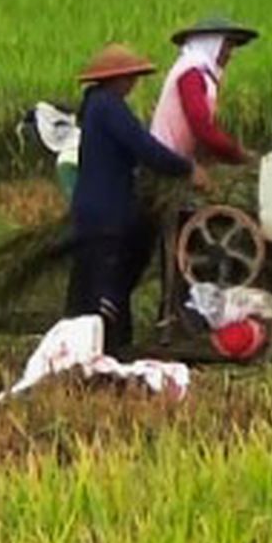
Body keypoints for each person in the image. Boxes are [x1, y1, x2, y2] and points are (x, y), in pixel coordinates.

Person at [66, 43, 205, 357]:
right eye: (130, 78)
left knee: (86, 289)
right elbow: (144, 148)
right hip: (108, 214)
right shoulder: (109, 107)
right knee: (107, 290)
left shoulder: (94, 106)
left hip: (89, 211)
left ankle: (80, 351)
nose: (133, 84)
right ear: (116, 79)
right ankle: (109, 353)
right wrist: (186, 168)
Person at [150, 13, 260, 165]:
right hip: (167, 159)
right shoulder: (190, 73)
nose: (230, 54)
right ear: (212, 44)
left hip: (179, 159)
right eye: (227, 46)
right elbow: (200, 125)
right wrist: (236, 153)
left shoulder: (202, 74)